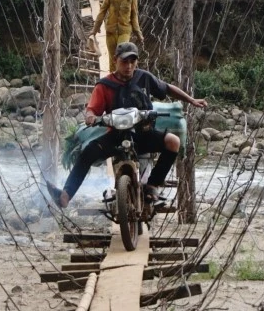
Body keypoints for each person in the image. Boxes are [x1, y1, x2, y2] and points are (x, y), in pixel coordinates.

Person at [48, 42, 208, 208]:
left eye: (133, 61)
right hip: (116, 136)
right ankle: (65, 195)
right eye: (124, 61)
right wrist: (90, 117)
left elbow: (167, 88)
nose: (129, 66)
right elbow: (92, 109)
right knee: (88, 152)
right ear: (115, 60)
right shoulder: (105, 85)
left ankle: (152, 185)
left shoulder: (144, 78)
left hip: (144, 134)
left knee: (173, 142)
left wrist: (191, 100)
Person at [92, 0, 142, 69]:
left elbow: (134, 16)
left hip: (125, 31)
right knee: (113, 58)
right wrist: (95, 29)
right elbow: (102, 13)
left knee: (121, 54)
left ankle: (122, 79)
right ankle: (112, 80)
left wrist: (138, 33)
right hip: (110, 31)